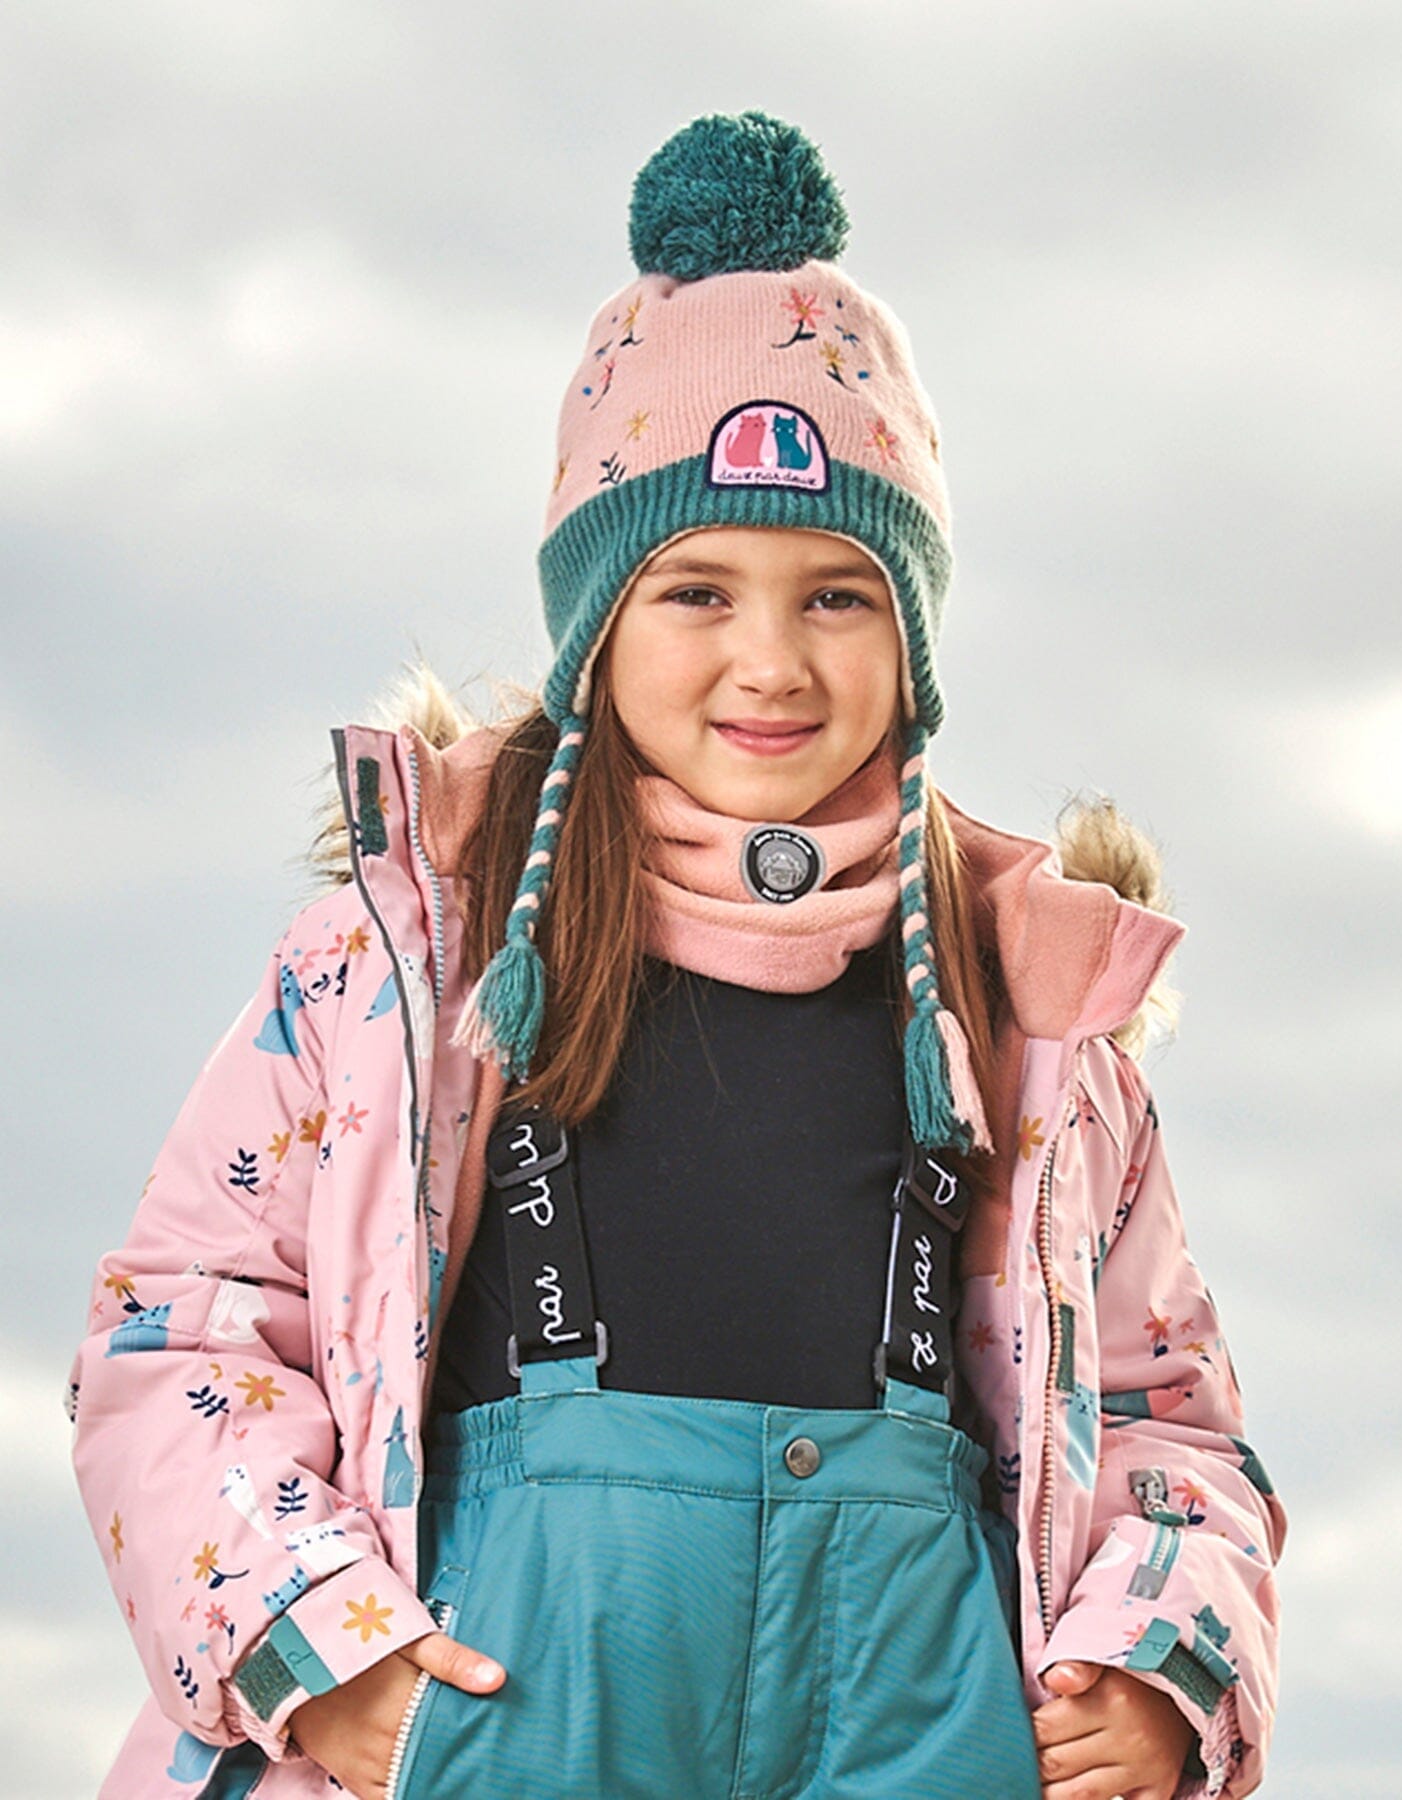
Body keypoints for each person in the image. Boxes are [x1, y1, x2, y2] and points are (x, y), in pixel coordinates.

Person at [68, 110, 1285, 1800]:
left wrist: (1159, 1665)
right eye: (697, 591)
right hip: (496, 1717)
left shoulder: (1030, 1009)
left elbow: (1164, 1420)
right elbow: (189, 1332)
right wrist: (309, 1647)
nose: (769, 661)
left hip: (923, 1740)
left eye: (838, 594)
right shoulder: (407, 966)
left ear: (915, 633)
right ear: (598, 626)